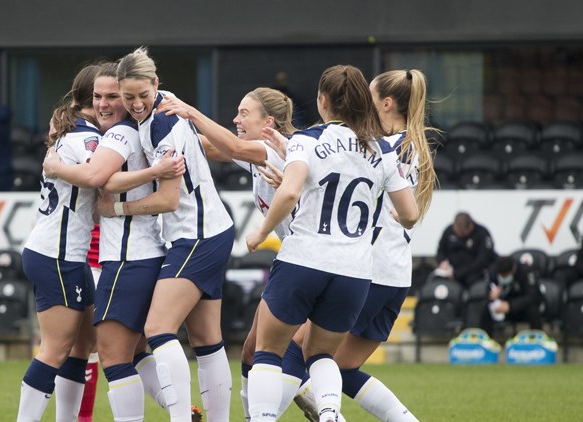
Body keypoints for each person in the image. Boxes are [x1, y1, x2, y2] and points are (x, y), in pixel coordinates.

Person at [244, 65, 419, 422]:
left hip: (304, 260)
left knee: (268, 353)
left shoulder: (307, 140)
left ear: (323, 101)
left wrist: (260, 233)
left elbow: (291, 190)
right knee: (321, 356)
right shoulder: (382, 149)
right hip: (354, 270)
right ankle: (328, 413)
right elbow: (411, 214)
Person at [97, 47, 235, 421]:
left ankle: (180, 417)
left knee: (157, 328)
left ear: (157, 84)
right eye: (129, 97)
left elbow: (169, 199)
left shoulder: (161, 123)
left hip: (196, 234)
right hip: (212, 230)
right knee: (207, 339)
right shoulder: (166, 107)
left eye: (142, 95)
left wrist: (118, 208)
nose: (136, 104)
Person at [42, 62, 186, 421]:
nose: (104, 104)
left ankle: (183, 412)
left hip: (127, 256)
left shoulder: (120, 134)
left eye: (112, 96)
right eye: (97, 97)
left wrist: (55, 166)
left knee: (111, 354)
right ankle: (186, 410)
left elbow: (98, 177)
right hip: (141, 252)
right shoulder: (144, 125)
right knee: (136, 349)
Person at [158, 88, 313, 419]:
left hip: (310, 263)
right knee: (252, 354)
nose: (236, 119)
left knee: (290, 356)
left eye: (244, 114)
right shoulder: (267, 150)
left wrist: (189, 111)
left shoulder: (267, 149)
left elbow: (234, 146)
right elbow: (213, 147)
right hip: (297, 260)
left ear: (268, 122)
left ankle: (322, 407)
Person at [15, 65, 101, 422]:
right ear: (91, 98)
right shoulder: (86, 139)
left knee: (81, 347)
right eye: (106, 95)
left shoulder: (73, 133)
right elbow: (104, 177)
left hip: (65, 254)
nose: (115, 102)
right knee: (56, 349)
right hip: (57, 255)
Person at [480, 256, 543, 339]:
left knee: (533, 309)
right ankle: (485, 340)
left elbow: (533, 297)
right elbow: (487, 293)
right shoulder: (493, 270)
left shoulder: (527, 271)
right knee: (485, 308)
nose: (503, 278)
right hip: (502, 308)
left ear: (513, 269)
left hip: (521, 307)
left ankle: (537, 340)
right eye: (501, 275)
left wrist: (510, 306)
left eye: (506, 275)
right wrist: (491, 296)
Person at [436, 212, 497, 287]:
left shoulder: (482, 233)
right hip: (450, 272)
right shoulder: (448, 231)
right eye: (457, 232)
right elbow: (441, 250)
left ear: (470, 226)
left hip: (474, 273)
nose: (459, 235)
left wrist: (457, 273)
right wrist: (442, 261)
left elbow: (483, 260)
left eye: (462, 233)